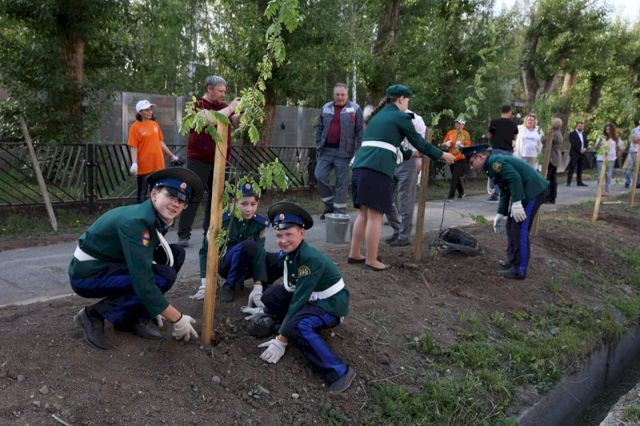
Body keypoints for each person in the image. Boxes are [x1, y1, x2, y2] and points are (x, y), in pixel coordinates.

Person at [69, 168, 204, 350]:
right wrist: (177, 318)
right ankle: (93, 315)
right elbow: (143, 282)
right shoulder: (137, 222)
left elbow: (145, 257)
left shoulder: (154, 217)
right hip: (88, 274)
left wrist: (153, 305)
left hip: (111, 264)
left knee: (176, 254)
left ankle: (130, 319)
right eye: (171, 195)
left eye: (181, 201)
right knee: (162, 276)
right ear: (154, 194)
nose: (176, 204)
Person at [249, 201, 355, 394]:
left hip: (330, 305)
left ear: (301, 233)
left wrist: (281, 339)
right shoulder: (291, 253)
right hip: (311, 299)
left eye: (289, 234)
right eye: (279, 235)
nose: (283, 240)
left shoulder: (309, 259)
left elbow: (299, 299)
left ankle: (339, 372)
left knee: (298, 325)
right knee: (271, 296)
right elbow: (288, 285)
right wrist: (260, 297)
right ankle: (283, 323)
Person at [348, 84, 455, 271]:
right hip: (377, 169)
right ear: (401, 99)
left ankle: (355, 254)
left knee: (363, 214)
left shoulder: (377, 117)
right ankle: (371, 260)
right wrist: (442, 155)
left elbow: (390, 144)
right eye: (407, 100)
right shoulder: (400, 117)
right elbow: (420, 143)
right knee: (375, 216)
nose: (407, 104)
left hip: (360, 167)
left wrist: (411, 154)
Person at [465, 145, 549, 280]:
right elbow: (505, 190)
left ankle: (519, 270)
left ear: (479, 156)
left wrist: (516, 203)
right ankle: (512, 261)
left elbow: (515, 178)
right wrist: (500, 213)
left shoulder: (494, 163)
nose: (471, 167)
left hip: (533, 190)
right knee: (511, 226)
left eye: (471, 162)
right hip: (524, 191)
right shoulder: (489, 166)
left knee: (519, 228)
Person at [177, 75, 240, 247]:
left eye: (224, 91)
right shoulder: (197, 105)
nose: (223, 94)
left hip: (220, 159)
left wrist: (242, 113)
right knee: (193, 195)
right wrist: (231, 108)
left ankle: (210, 232)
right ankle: (183, 234)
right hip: (199, 158)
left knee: (217, 197)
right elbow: (210, 119)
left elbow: (235, 122)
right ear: (209, 89)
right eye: (220, 91)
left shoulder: (223, 106)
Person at [190, 182, 271, 304]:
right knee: (248, 246)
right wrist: (205, 284)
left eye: (253, 204)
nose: (249, 209)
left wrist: (258, 285)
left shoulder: (259, 224)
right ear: (233, 201)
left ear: (258, 203)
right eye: (244, 204)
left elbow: (259, 252)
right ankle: (229, 285)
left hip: (246, 267)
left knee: (277, 259)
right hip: (226, 266)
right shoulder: (221, 221)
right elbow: (205, 251)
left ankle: (264, 285)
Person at [314, 83, 364, 218]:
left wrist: (359, 152)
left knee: (342, 183)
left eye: (343, 95)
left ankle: (339, 213)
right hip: (326, 151)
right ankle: (329, 206)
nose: (340, 97)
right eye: (337, 94)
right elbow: (319, 127)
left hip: (345, 153)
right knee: (319, 176)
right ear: (333, 95)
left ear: (347, 95)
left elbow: (360, 132)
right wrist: (318, 144)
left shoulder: (355, 109)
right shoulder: (326, 108)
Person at [386, 110, 426, 247]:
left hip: (409, 161)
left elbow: (421, 141)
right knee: (384, 197)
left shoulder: (416, 119)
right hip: (391, 160)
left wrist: (419, 158)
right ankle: (397, 228)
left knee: (406, 199)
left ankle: (404, 236)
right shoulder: (388, 116)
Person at [128, 100, 181, 203]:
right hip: (144, 165)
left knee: (157, 192)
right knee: (142, 193)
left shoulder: (155, 124)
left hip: (158, 164)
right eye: (147, 110)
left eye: (151, 109)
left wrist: (172, 156)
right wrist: (134, 163)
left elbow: (160, 142)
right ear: (140, 112)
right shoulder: (135, 127)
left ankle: (155, 212)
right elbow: (133, 146)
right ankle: (141, 212)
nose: (150, 112)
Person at [486, 105, 519, 201]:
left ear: (501, 112)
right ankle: (506, 194)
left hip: (497, 150)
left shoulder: (494, 122)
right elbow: (515, 137)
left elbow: (489, 135)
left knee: (497, 171)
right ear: (510, 112)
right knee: (506, 172)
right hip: (508, 151)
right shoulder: (513, 124)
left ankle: (496, 194)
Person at [440, 118, 472, 201]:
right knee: (455, 177)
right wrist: (446, 144)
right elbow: (443, 144)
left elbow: (469, 146)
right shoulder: (450, 132)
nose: (457, 125)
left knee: (454, 177)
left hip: (460, 158)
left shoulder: (466, 134)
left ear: (463, 125)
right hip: (451, 157)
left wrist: (462, 146)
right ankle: (461, 192)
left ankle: (451, 196)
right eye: (456, 123)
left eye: (459, 123)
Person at [593, 123, 620, 196]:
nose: (607, 131)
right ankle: (600, 190)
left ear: (612, 130)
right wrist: (600, 140)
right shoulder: (601, 137)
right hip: (601, 158)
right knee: (600, 175)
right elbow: (596, 147)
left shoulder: (615, 138)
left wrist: (616, 155)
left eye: (609, 129)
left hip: (611, 159)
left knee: (608, 175)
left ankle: (607, 191)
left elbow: (620, 147)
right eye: (606, 129)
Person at [544, 117, 563, 204]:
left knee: (549, 178)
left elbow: (544, 140)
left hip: (552, 158)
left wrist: (545, 134)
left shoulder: (554, 134)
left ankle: (548, 196)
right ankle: (552, 197)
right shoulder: (558, 133)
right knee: (552, 178)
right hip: (556, 158)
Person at [567, 121, 589, 187]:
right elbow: (573, 143)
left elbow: (586, 142)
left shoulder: (584, 134)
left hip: (582, 153)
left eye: (582, 126)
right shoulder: (572, 134)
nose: (581, 127)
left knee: (580, 168)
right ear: (576, 126)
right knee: (572, 167)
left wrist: (585, 148)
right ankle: (568, 182)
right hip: (574, 153)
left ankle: (579, 182)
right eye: (579, 126)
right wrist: (579, 150)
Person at [625, 120, 640, 189]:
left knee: (639, 168)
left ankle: (638, 183)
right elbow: (634, 140)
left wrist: (638, 138)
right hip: (633, 151)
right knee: (629, 167)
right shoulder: (634, 130)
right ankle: (627, 182)